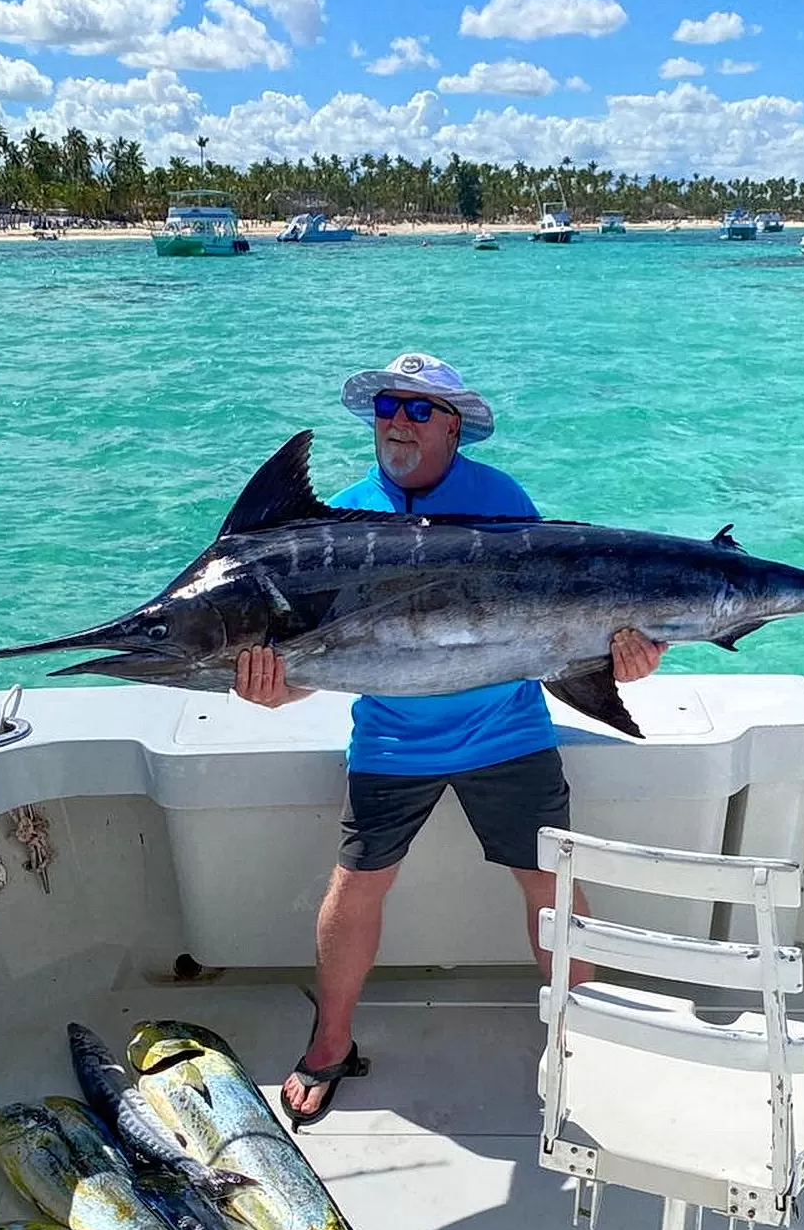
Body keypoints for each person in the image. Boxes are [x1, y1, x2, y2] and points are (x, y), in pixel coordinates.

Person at [234, 352, 665, 1127]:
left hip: (508, 730)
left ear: (453, 426)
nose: (398, 421)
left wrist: (622, 658)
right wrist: (274, 688)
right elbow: (316, 666)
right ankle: (331, 1041)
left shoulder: (501, 500)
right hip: (394, 739)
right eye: (387, 408)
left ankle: (586, 1034)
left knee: (549, 882)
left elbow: (559, 617)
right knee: (357, 884)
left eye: (419, 409)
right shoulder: (339, 520)